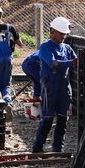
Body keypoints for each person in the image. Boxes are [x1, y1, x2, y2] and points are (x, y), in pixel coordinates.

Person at [32, 16, 78, 153]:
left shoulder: (67, 48)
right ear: (53, 32)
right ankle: (38, 147)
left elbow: (76, 59)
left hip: (63, 87)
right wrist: (72, 63)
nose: (63, 36)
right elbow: (54, 64)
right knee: (48, 118)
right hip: (50, 87)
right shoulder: (45, 47)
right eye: (61, 33)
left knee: (63, 119)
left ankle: (58, 147)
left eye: (65, 34)